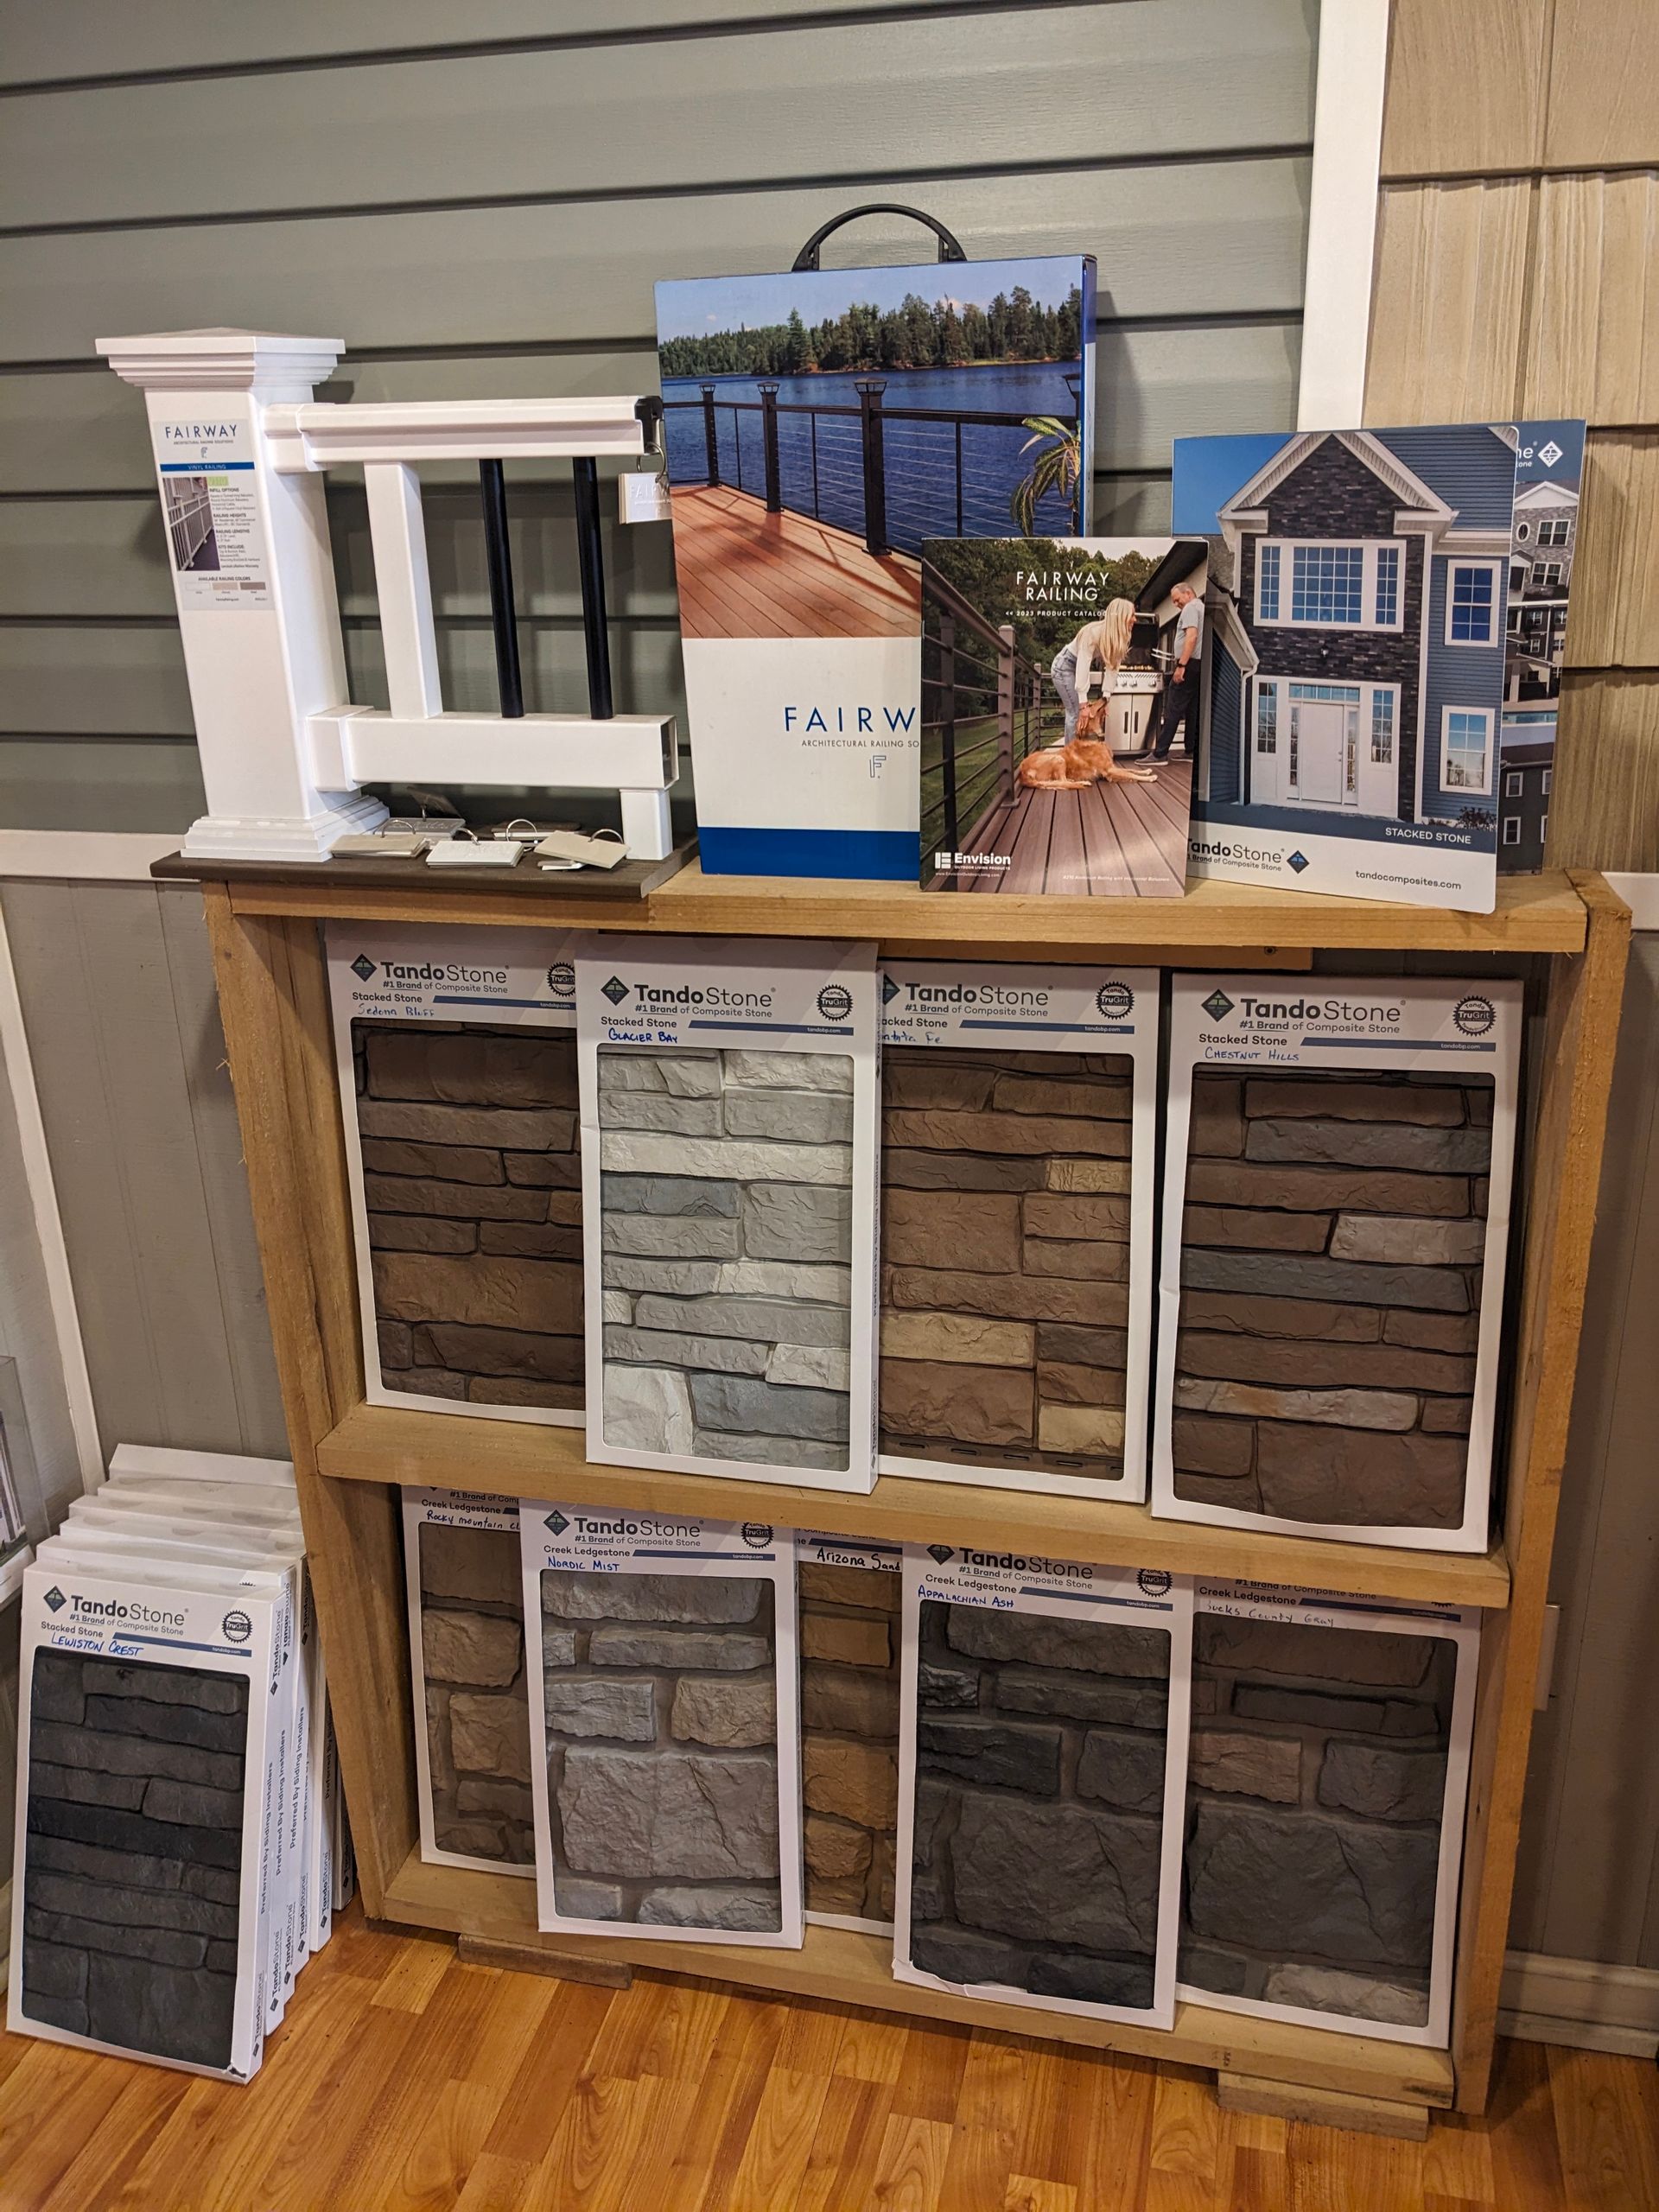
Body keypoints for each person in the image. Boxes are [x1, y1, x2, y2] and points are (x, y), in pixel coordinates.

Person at [1050, 599, 1135, 742]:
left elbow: (1112, 669)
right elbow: (1083, 666)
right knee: (1076, 713)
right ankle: (1072, 760)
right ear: (1121, 616)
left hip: (1076, 667)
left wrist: (1106, 698)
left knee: (1076, 713)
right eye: (1132, 615)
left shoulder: (1118, 637)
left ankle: (1073, 755)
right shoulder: (1092, 632)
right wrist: (1084, 705)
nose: (1135, 619)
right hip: (1064, 666)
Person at [1149, 582, 1203, 761]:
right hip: (1198, 666)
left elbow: (1192, 636)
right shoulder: (1202, 608)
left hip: (1188, 665)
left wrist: (1181, 666)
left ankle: (1160, 754)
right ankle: (1190, 751)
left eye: (1177, 599)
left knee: (1173, 708)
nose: (1176, 604)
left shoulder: (1190, 608)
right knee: (1192, 709)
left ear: (1188, 593)